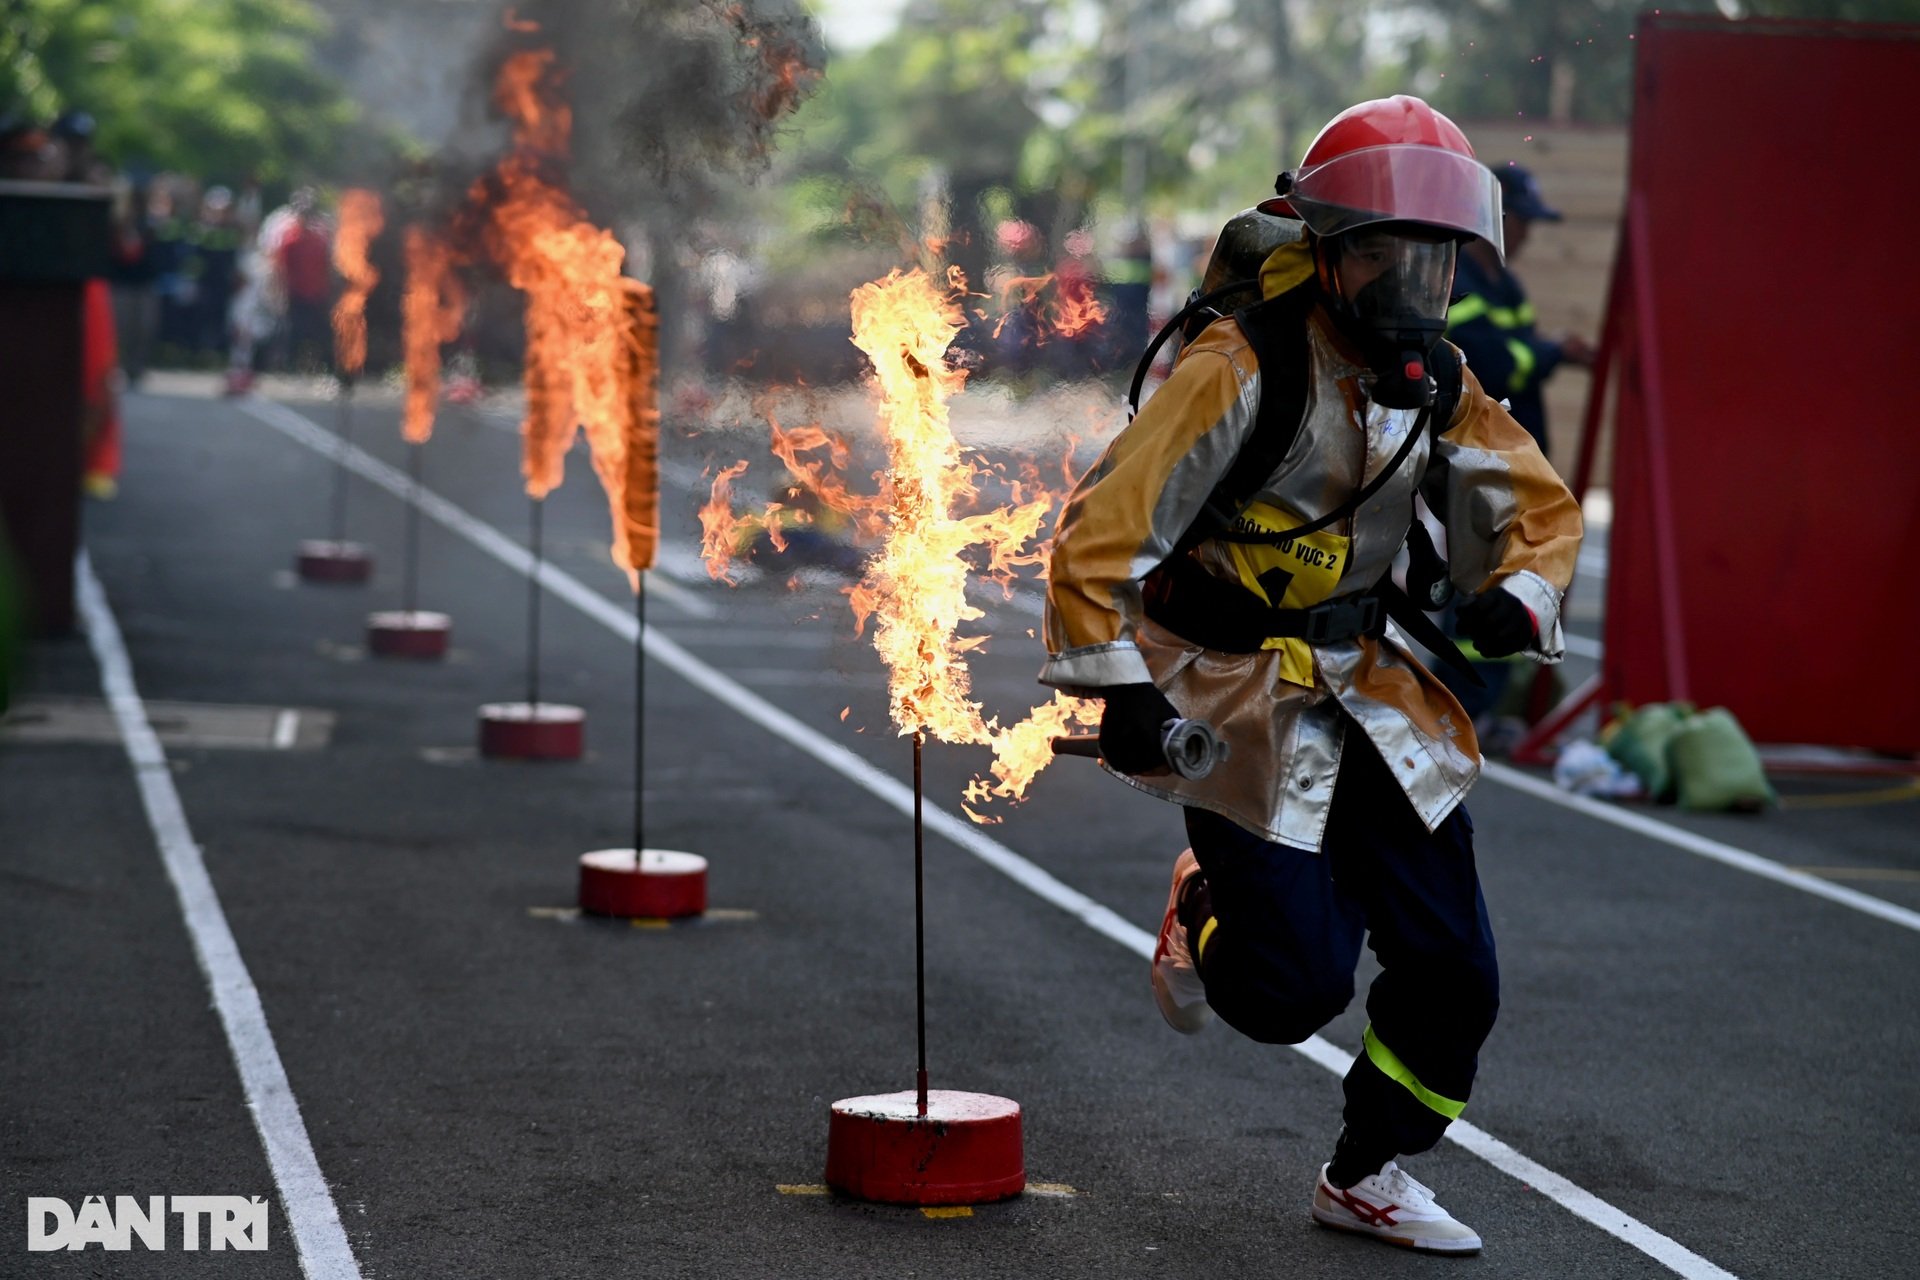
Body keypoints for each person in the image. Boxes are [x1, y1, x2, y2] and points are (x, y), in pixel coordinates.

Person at [1039, 96, 1582, 1255]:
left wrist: (1515, 593)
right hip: (1232, 693)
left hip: (1371, 684)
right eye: (1385, 250)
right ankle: (1202, 903)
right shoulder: (1244, 364)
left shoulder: (1434, 375)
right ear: (1328, 249)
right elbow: (1100, 528)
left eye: (1431, 257)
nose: (1411, 280)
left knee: (1456, 971)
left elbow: (1531, 505)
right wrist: (1119, 681)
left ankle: (1368, 1168)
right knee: (1286, 992)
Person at [1438, 164, 1594, 733]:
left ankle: (1481, 706)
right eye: (1522, 222)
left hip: (1514, 459)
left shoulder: (1505, 284)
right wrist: (1552, 355)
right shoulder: (1461, 283)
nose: (1526, 235)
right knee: (1481, 594)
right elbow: (1500, 363)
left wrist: (1547, 350)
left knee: (1506, 589)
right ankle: (1462, 708)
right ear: (1493, 220)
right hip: (1480, 467)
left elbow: (1521, 348)